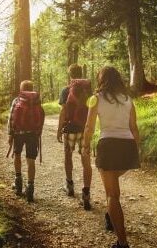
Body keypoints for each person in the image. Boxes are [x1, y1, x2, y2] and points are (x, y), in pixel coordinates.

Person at [82, 66, 140, 248]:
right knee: (114, 186)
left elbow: (89, 126)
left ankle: (122, 243)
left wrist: (85, 146)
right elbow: (134, 128)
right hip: (127, 146)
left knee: (112, 195)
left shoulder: (96, 99)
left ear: (101, 80)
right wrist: (135, 150)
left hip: (108, 146)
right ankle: (111, 215)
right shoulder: (128, 100)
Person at [57, 64, 93, 209]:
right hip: (85, 128)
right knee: (86, 159)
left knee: (68, 156)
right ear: (81, 73)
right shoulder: (88, 90)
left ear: (70, 75)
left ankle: (70, 185)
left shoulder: (66, 90)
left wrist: (59, 129)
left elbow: (63, 112)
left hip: (70, 127)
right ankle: (86, 193)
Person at [8, 80, 45, 202]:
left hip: (18, 133)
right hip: (33, 134)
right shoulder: (37, 101)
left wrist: (10, 134)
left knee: (17, 155)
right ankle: (30, 187)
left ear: (22, 89)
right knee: (31, 160)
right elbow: (41, 117)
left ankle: (18, 183)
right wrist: (38, 132)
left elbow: (11, 117)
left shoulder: (17, 100)